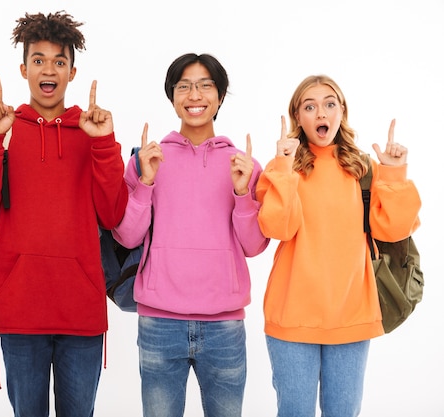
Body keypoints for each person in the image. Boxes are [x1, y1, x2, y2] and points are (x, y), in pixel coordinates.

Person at [0, 11, 128, 417]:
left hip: (81, 310)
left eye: (58, 61)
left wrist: (104, 145)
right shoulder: (5, 129)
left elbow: (113, 215)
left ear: (72, 72)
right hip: (20, 308)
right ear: (23, 69)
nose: (48, 69)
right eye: (38, 60)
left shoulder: (92, 133)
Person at [113, 53, 270, 417]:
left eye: (205, 85)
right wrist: (145, 183)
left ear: (220, 96)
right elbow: (126, 237)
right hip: (159, 322)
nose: (194, 95)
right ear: (172, 97)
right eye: (184, 86)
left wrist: (243, 193)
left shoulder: (242, 163)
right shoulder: (148, 159)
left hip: (224, 325)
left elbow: (253, 245)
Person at [255, 74, 421, 417]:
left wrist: (392, 174)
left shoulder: (362, 168)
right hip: (292, 314)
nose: (321, 113)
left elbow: (393, 231)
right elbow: (277, 227)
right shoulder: (281, 168)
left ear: (341, 113)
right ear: (297, 117)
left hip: (351, 314)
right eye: (310, 106)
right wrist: (285, 167)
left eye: (329, 104)